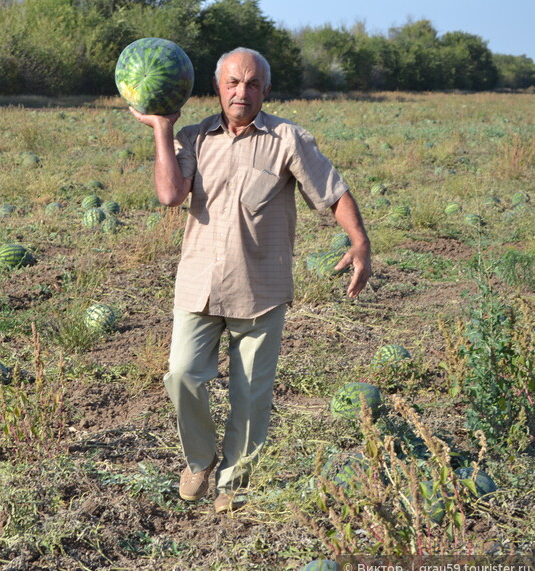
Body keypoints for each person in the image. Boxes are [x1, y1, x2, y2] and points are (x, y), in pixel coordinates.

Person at [129, 47, 372, 513]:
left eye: (253, 83)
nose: (242, 92)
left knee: (251, 394)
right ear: (219, 87)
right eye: (233, 83)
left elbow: (333, 191)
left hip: (260, 289)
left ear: (265, 89)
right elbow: (169, 195)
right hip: (198, 283)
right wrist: (162, 127)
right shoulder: (194, 136)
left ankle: (234, 480)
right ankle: (199, 460)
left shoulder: (288, 139)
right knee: (181, 375)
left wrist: (359, 243)